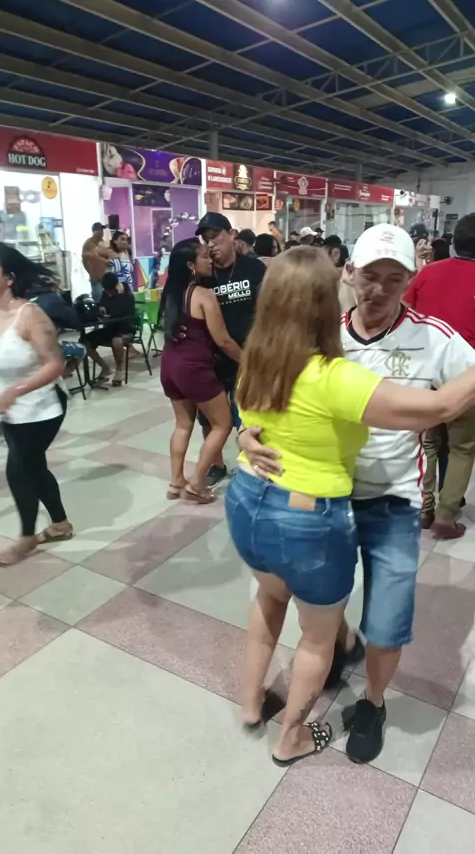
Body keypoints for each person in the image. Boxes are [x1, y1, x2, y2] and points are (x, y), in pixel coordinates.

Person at [228, 242, 475, 767]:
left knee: (378, 622)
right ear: (347, 276)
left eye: (395, 277)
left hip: (376, 501)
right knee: (318, 622)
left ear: (411, 279)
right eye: (369, 275)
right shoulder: (328, 353)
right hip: (319, 509)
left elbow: (249, 397)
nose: (379, 289)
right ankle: (307, 701)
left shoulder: (431, 337)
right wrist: (244, 433)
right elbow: (438, 406)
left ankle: (364, 703)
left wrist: (245, 433)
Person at [0, 244, 73, 566]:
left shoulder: (30, 315)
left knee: (18, 470)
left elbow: (55, 364)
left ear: (9, 277)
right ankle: (60, 524)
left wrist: (17, 390)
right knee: (34, 466)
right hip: (10, 410)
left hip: (42, 407)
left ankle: (26, 538)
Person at [404, 213, 475, 537]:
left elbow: (405, 314)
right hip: (467, 376)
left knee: (427, 443)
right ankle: (446, 516)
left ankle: (424, 508)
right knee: (463, 447)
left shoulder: (428, 273)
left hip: (426, 371)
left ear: (454, 241)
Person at [160, 239, 241, 502]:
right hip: (193, 368)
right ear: (190, 265)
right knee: (223, 424)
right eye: (205, 256)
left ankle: (176, 483)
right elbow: (223, 340)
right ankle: (196, 483)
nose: (210, 260)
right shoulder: (204, 295)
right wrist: (247, 361)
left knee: (182, 424)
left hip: (170, 366)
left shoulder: (170, 294)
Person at [195, 212, 265, 487]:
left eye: (216, 237)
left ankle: (252, 465)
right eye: (206, 239)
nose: (211, 244)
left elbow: (268, 310)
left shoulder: (254, 269)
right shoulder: (204, 274)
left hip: (248, 358)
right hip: (212, 360)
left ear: (232, 234)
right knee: (209, 419)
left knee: (248, 417)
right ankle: (216, 465)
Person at [84, 272, 135, 387]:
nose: (108, 294)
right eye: (106, 291)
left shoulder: (127, 296)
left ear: (117, 286)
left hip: (125, 329)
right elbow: (101, 306)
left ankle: (119, 370)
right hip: (109, 328)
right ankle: (105, 367)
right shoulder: (106, 293)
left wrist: (118, 297)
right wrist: (100, 310)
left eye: (110, 291)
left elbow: (123, 313)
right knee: (84, 341)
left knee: (116, 341)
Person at [82, 222, 112, 302]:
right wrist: (91, 272)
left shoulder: (105, 243)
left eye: (102, 230)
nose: (101, 232)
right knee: (98, 297)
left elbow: (110, 256)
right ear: (94, 231)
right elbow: (84, 260)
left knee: (108, 298)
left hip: (106, 276)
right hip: (96, 278)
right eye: (99, 230)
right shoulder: (88, 243)